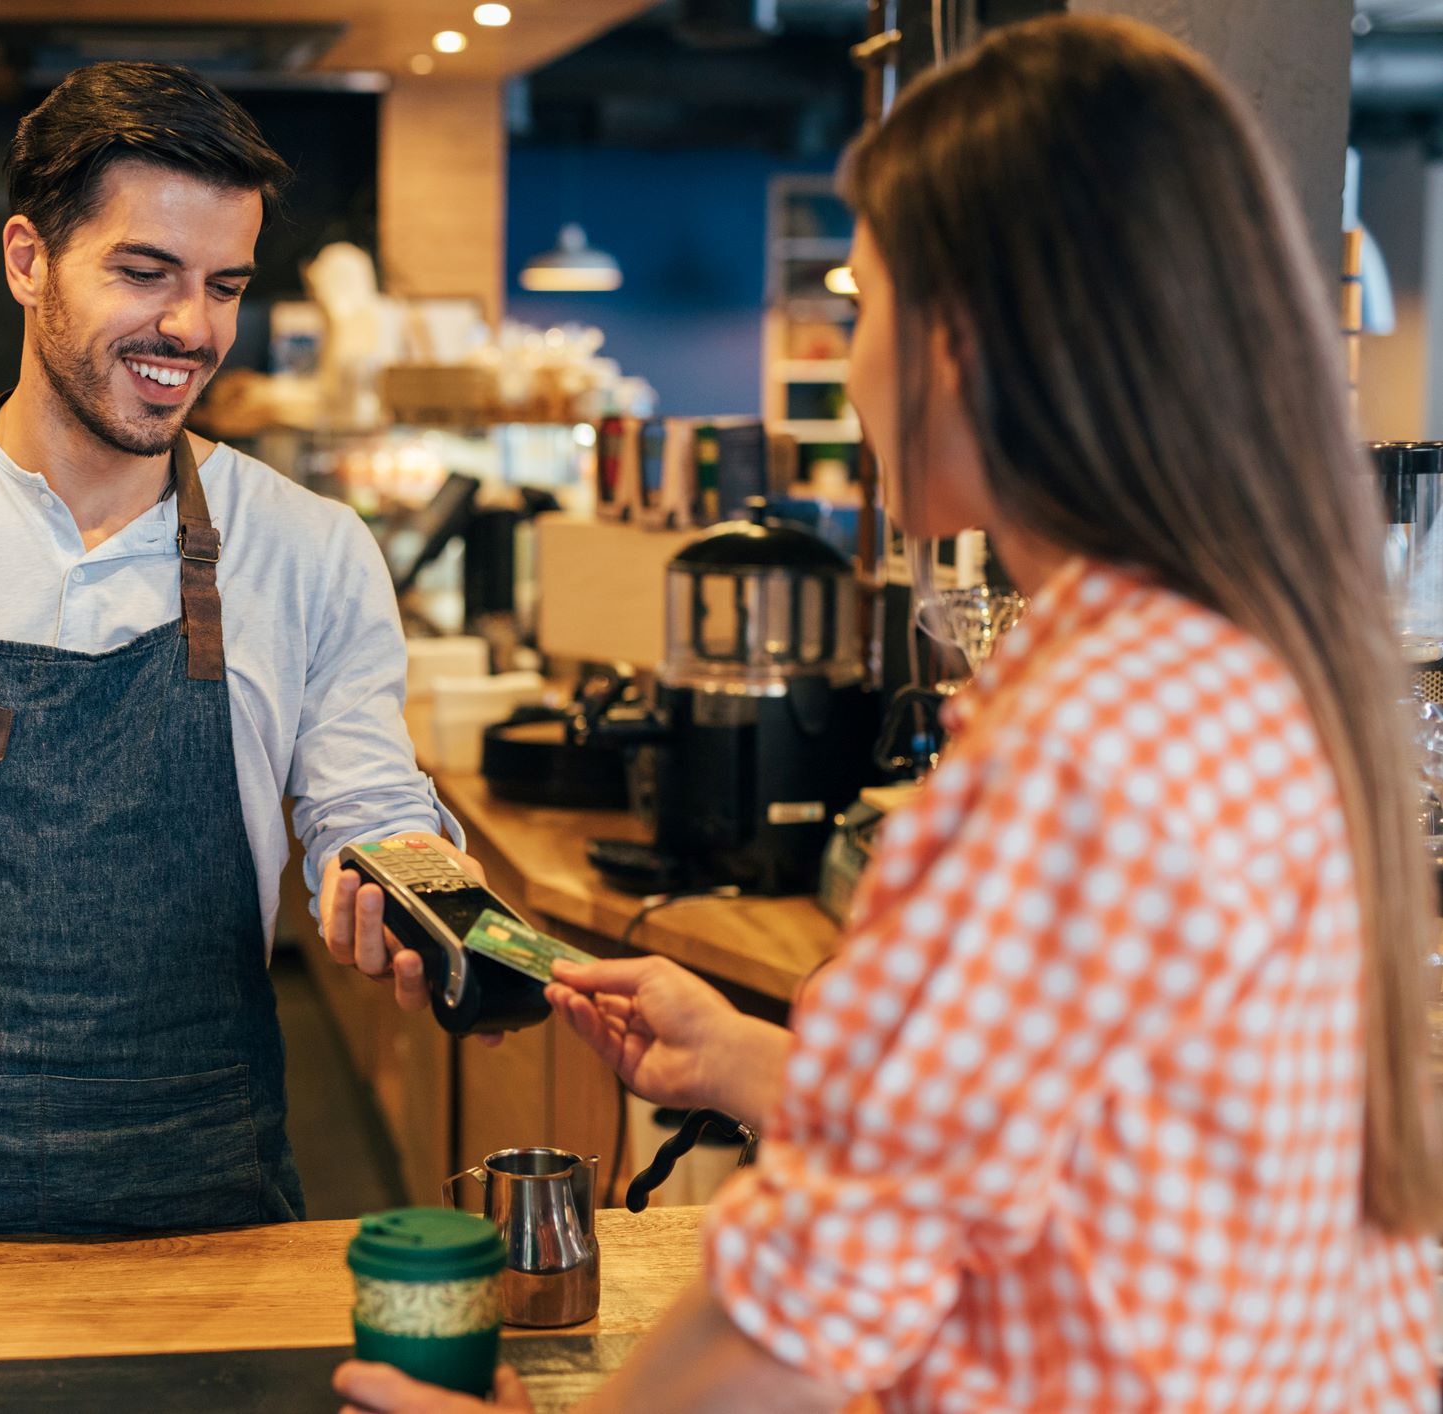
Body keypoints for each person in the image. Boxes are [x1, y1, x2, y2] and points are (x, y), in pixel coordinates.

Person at [334, 16, 1441, 1413]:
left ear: (963, 344)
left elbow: (789, 1324)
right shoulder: (1256, 667)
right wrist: (757, 1064)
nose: (848, 370)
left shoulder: (1071, 754)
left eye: (866, 310)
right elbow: (1086, 1156)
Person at [0, 61, 470, 1344]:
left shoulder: (307, 547)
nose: (192, 325)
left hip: (212, 1206)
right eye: (146, 272)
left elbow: (369, 803)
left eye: (224, 284)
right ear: (28, 260)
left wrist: (409, 890)